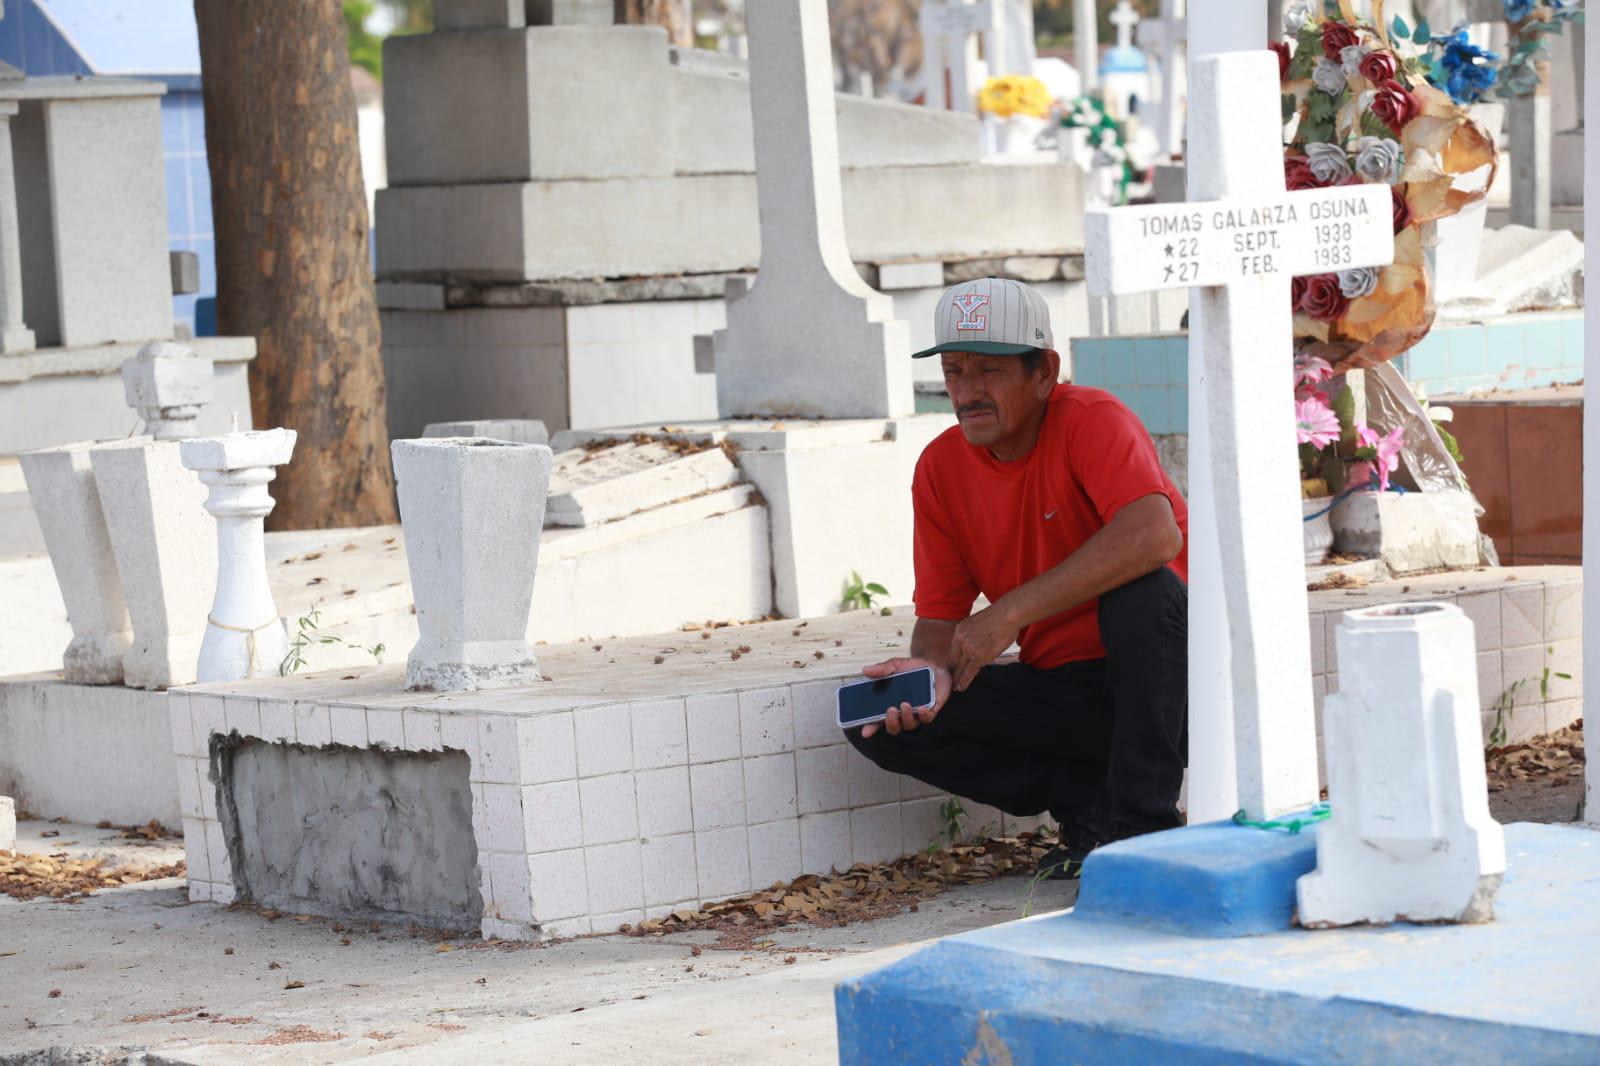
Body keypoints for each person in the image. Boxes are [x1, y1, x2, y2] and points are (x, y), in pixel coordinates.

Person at [846, 277, 1189, 879]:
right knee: (878, 724)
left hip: (1167, 686)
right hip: (1062, 688)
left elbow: (1154, 535)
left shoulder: (1092, 418)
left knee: (1142, 590)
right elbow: (938, 627)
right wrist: (927, 679)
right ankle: (1090, 808)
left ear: (1044, 373)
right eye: (953, 371)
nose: (967, 392)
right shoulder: (941, 468)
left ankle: (1144, 831)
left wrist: (1006, 613)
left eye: (990, 372)